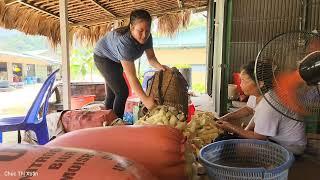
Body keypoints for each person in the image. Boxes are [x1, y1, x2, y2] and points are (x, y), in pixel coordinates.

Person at [216, 60, 307, 155]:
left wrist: (231, 127)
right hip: (273, 138)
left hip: (289, 147)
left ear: (260, 83)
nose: (240, 84)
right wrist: (226, 117)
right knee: (224, 139)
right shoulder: (260, 92)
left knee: (226, 149)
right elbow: (248, 109)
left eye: (244, 81)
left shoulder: (269, 105)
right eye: (240, 80)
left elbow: (259, 137)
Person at [93, 9, 168, 118]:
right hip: (103, 58)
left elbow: (151, 58)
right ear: (132, 28)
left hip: (116, 58)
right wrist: (146, 100)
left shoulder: (147, 37)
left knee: (113, 93)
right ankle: (116, 123)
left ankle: (108, 122)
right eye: (140, 31)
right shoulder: (124, 43)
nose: (144, 35)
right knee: (122, 92)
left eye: (147, 31)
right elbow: (132, 77)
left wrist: (161, 67)